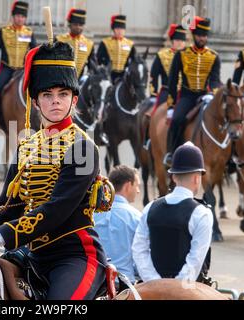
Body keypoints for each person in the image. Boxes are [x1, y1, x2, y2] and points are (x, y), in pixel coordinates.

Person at [0, 41, 108, 300]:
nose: (55, 102)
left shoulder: (83, 147)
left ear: (74, 99)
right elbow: (7, 207)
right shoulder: (26, 146)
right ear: (35, 102)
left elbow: (56, 210)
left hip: (74, 255)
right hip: (32, 253)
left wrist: (3, 234)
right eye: (47, 95)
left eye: (63, 94)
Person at [132, 142, 213, 283]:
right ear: (197, 178)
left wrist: (154, 281)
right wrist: (175, 287)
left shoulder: (150, 207)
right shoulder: (202, 213)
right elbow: (195, 260)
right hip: (186, 292)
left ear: (174, 177)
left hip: (152, 290)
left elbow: (138, 249)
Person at [163, 16, 222, 167]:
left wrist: (212, 94)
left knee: (226, 119)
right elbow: (172, 81)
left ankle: (228, 159)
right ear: (194, 35)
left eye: (205, 35)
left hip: (205, 96)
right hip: (188, 96)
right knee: (177, 120)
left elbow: (215, 80)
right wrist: (171, 104)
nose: (203, 38)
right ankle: (172, 154)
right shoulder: (181, 54)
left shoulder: (214, 56)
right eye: (200, 35)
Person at [0, 1, 36, 130]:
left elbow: (34, 51)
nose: (20, 19)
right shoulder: (3, 31)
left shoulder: (29, 33)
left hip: (23, 70)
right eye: (18, 16)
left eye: (23, 17)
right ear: (13, 16)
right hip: (7, 68)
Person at [94, 165, 141, 291]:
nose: (138, 191)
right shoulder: (136, 217)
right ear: (127, 186)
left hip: (96, 285)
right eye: (137, 186)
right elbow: (141, 257)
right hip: (125, 287)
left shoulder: (92, 214)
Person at [150, 24, 186, 109]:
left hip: (185, 93)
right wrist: (153, 94)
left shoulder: (190, 56)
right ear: (172, 41)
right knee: (154, 112)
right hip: (167, 91)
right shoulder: (162, 55)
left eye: (182, 40)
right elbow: (154, 75)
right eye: (177, 40)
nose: (180, 43)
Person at [56, 8, 96, 83]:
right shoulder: (59, 39)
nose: (78, 27)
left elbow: (92, 64)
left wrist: (90, 75)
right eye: (75, 24)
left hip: (80, 80)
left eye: (80, 25)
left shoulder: (89, 44)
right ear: (70, 25)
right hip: (60, 79)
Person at [97, 14, 136, 84]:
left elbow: (134, 60)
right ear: (113, 29)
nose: (120, 31)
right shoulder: (105, 43)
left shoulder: (130, 44)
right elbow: (99, 59)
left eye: (122, 29)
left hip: (125, 75)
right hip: (108, 75)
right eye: (117, 29)